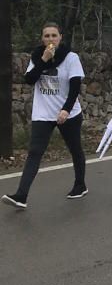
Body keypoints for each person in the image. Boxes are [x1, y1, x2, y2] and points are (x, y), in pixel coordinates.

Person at [2, 23, 86, 210]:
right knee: (34, 153)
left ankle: (80, 185)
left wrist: (65, 110)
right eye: (46, 36)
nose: (50, 39)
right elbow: (30, 80)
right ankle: (21, 196)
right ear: (42, 38)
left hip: (68, 113)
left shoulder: (71, 58)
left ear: (60, 37)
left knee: (75, 149)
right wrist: (44, 60)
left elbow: (74, 88)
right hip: (43, 114)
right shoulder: (37, 56)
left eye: (53, 35)